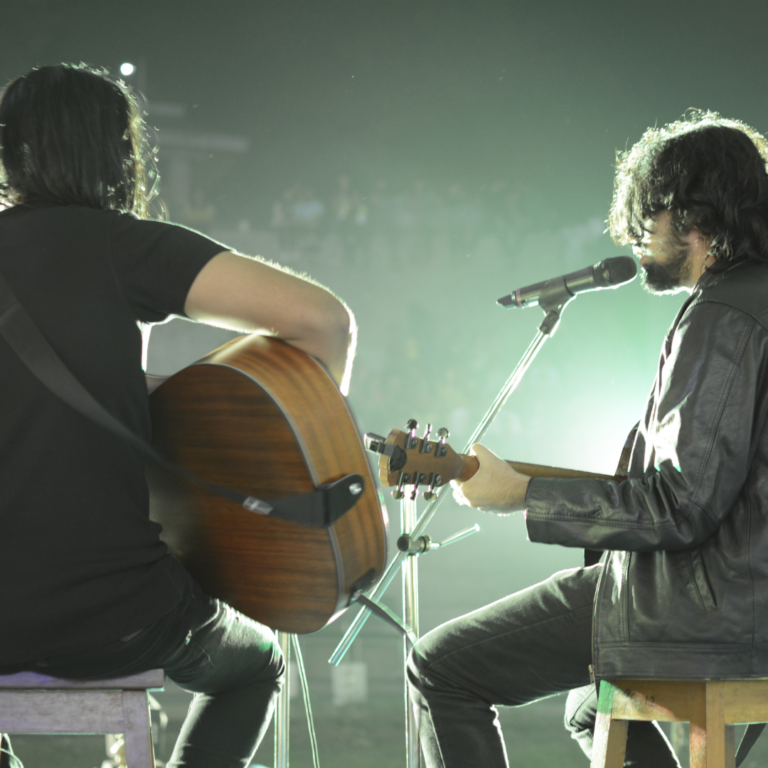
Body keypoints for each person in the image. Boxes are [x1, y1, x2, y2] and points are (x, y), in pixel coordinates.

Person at [0, 64, 356, 768]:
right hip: (114, 616)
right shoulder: (119, 243)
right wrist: (290, 450)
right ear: (116, 154)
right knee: (257, 664)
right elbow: (323, 322)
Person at [407, 110, 768, 768]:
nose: (635, 234)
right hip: (742, 595)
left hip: (707, 611)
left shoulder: (721, 315)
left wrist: (523, 493)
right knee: (589, 706)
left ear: (695, 216)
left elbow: (682, 506)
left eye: (648, 214)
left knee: (440, 668)